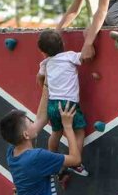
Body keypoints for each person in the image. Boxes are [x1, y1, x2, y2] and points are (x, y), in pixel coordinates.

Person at [36, 28, 88, 177]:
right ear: (62, 44)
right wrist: (87, 39)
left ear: (43, 52)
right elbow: (84, 56)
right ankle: (75, 163)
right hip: (69, 104)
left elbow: (39, 77)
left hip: (52, 103)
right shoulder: (70, 56)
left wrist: (44, 88)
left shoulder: (45, 63)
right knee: (79, 131)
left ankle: (51, 158)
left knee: (56, 132)